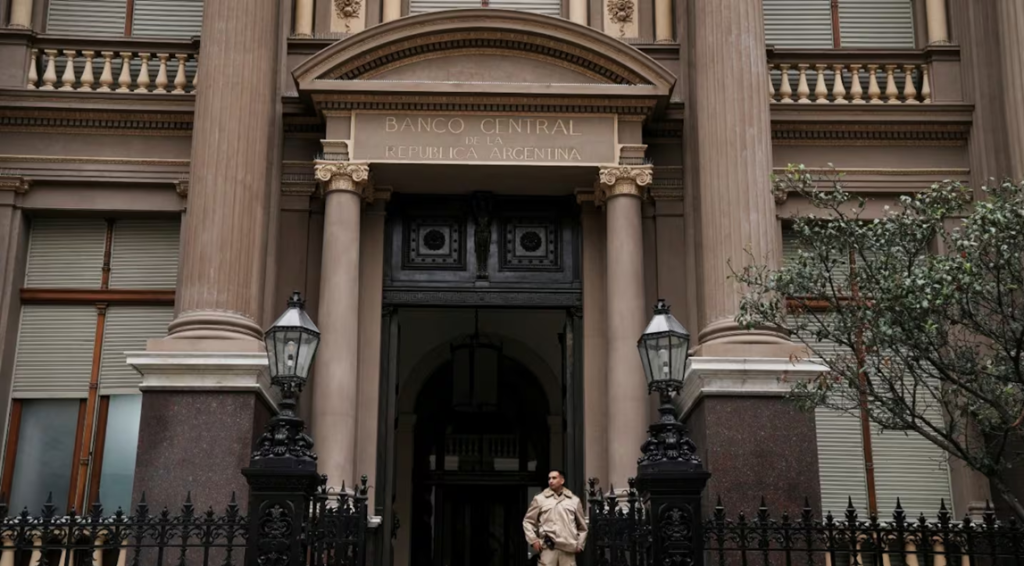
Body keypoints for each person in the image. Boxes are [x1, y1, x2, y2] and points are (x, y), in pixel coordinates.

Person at [523, 470, 588, 566]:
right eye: (549, 478)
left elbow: (582, 527)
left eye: (554, 478)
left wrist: (580, 544)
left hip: (568, 548)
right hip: (548, 548)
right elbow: (528, 521)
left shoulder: (574, 500)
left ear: (562, 480)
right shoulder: (540, 499)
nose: (550, 481)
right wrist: (533, 540)